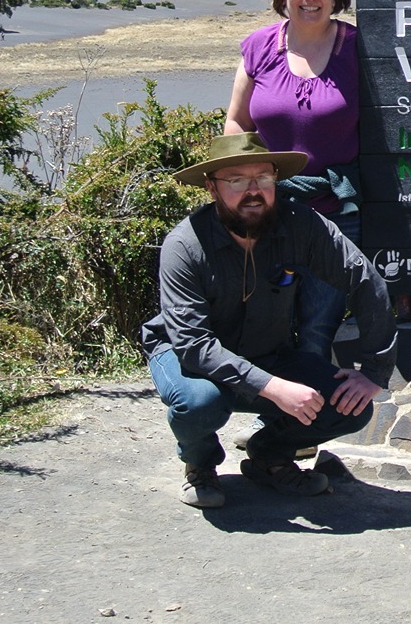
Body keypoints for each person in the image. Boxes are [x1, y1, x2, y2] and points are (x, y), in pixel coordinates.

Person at [141, 133, 397, 508]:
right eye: (236, 180)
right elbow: (194, 346)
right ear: (211, 188)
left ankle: (270, 455)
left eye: (263, 177)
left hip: (267, 351)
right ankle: (200, 463)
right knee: (199, 404)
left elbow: (363, 279)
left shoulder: (301, 224)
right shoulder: (185, 245)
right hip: (188, 358)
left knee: (350, 406)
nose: (253, 190)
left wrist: (375, 372)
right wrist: (273, 387)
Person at [225, 0, 360, 365]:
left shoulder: (357, 48)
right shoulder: (259, 46)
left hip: (337, 207)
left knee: (320, 325)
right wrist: (236, 186)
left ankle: (304, 423)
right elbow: (236, 123)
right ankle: (277, 416)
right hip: (270, 204)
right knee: (268, 319)